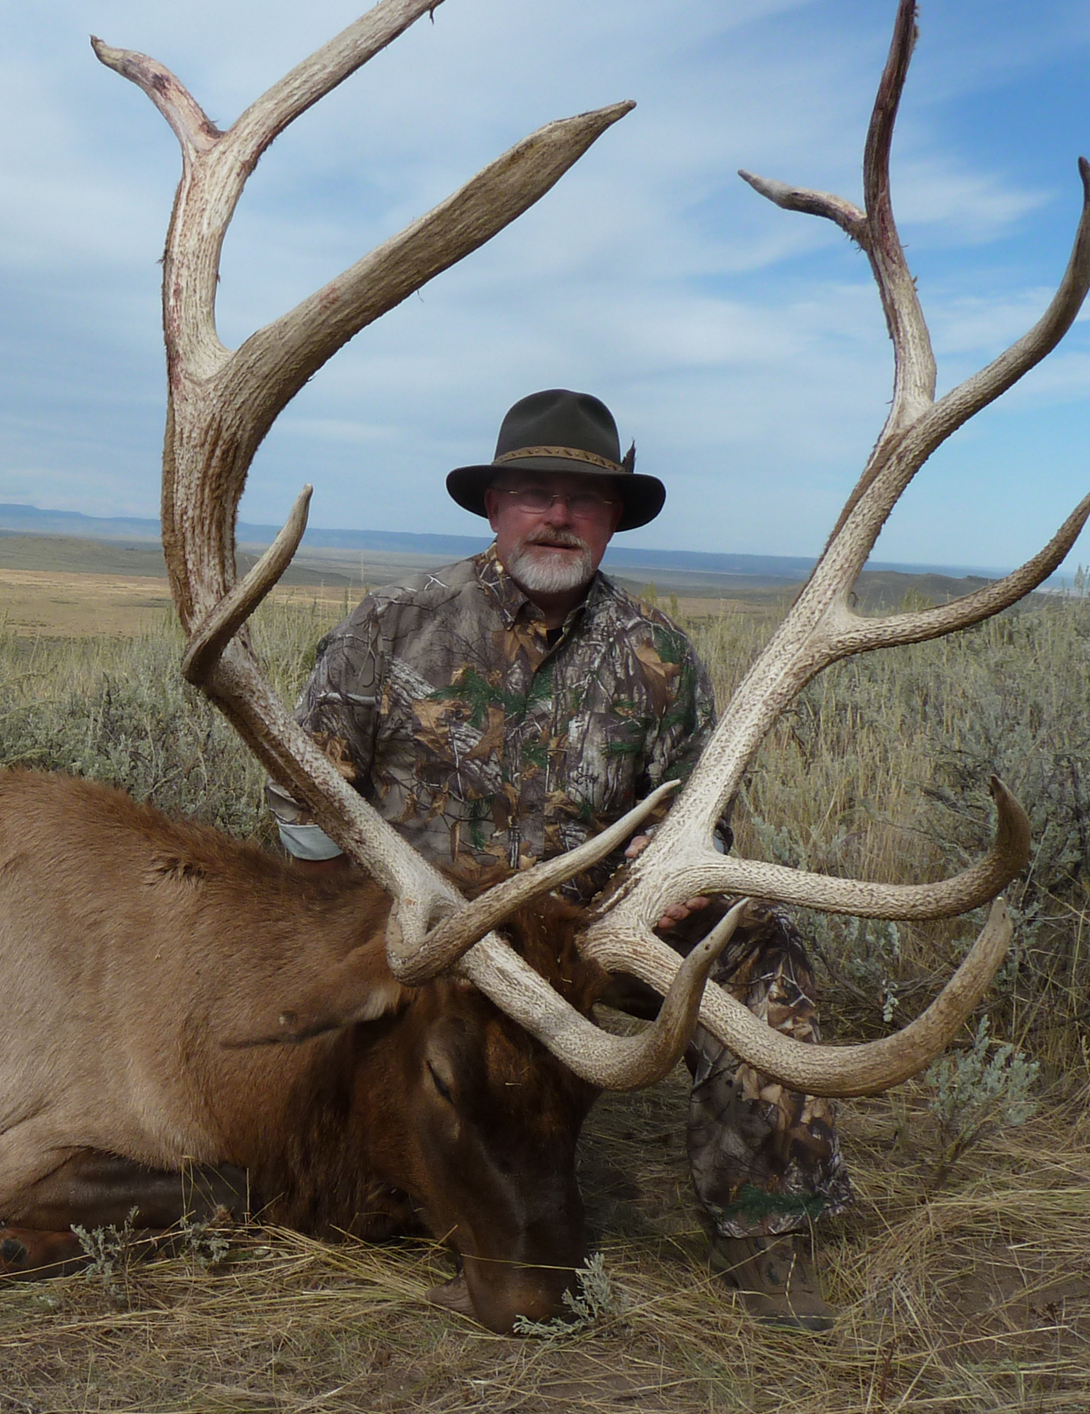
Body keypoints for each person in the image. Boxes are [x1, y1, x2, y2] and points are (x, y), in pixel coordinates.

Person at [267, 389, 849, 1329]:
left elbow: (702, 812)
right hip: (433, 946)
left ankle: (767, 1227)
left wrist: (674, 869)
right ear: (494, 507)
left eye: (584, 499)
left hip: (591, 940)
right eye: (534, 491)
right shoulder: (390, 626)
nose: (558, 515)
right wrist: (359, 924)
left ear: (613, 520)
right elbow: (303, 802)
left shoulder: (659, 656)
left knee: (759, 946)